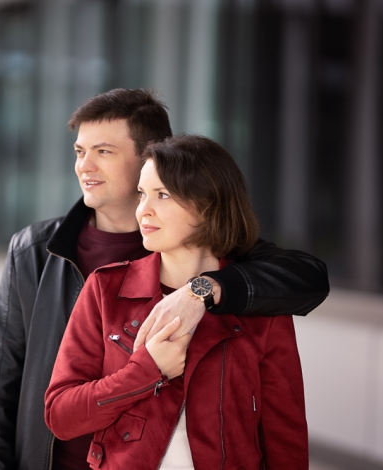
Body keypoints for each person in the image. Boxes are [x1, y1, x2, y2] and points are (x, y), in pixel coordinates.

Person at [0, 89, 326, 470]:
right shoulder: (35, 251)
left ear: (150, 157)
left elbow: (307, 278)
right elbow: (0, 387)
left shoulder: (231, 266)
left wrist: (199, 291)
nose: (84, 166)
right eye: (79, 151)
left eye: (103, 151)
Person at [45, 134, 308, 469]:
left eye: (163, 195)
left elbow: (285, 437)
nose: (143, 210)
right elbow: (61, 415)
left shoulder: (262, 307)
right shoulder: (105, 289)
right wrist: (146, 370)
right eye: (142, 194)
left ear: (209, 205)